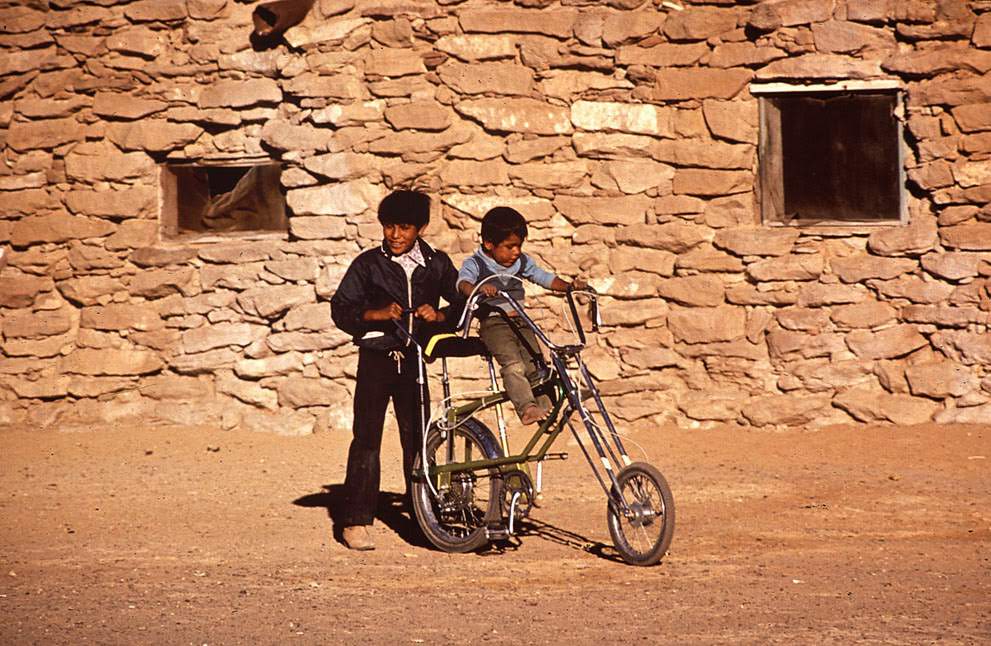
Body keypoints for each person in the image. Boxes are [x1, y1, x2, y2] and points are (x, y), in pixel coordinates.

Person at [330, 189, 463, 551]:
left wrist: (439, 316)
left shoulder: (436, 263)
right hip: (376, 358)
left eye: (404, 227)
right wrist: (374, 314)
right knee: (367, 438)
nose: (395, 235)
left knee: (418, 440)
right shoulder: (368, 263)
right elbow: (341, 308)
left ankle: (424, 518)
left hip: (416, 360)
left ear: (420, 227)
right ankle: (356, 521)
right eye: (389, 226)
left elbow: (462, 301)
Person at [457, 206, 585, 426]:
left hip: (521, 322)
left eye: (519, 246)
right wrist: (479, 288)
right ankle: (526, 407)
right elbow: (463, 284)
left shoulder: (521, 262)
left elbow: (543, 277)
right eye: (509, 246)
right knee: (514, 365)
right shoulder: (475, 263)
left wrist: (569, 287)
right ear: (489, 244)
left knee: (537, 365)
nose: (516, 251)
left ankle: (546, 410)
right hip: (495, 323)